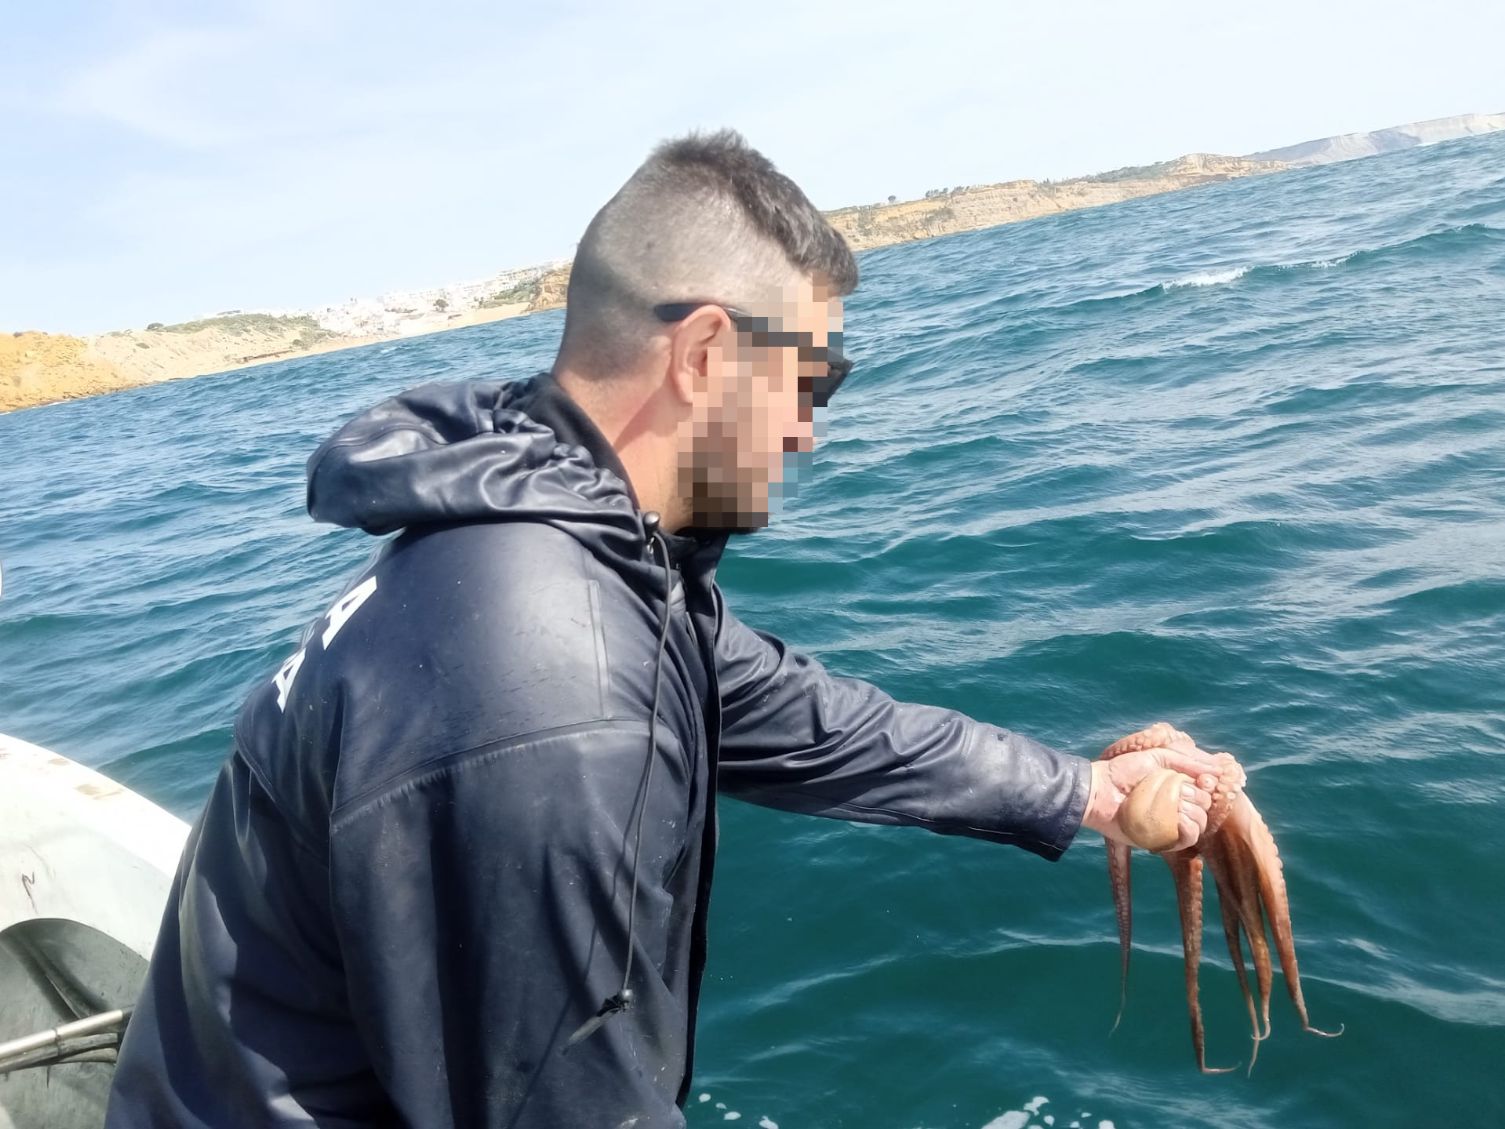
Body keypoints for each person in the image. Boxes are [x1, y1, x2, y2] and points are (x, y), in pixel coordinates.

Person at [105, 130, 1234, 1128]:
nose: (808, 432)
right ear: (702, 355)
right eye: (812, 381)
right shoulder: (552, 695)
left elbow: (814, 723)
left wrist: (1081, 794)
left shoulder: (558, 536)